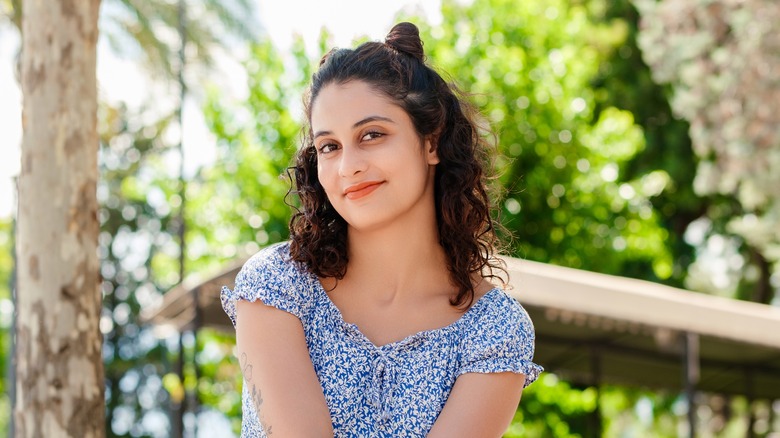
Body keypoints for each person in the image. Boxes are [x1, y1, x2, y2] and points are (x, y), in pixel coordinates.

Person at [221, 22, 542, 437]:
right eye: (329, 147)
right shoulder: (277, 285)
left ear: (432, 141)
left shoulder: (493, 330)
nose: (347, 166)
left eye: (372, 135)